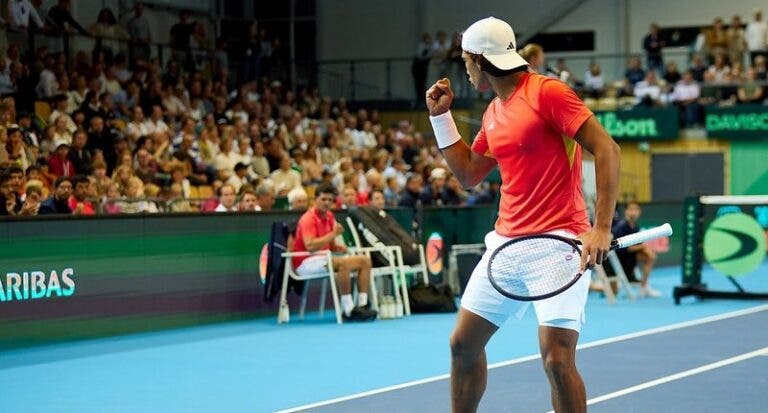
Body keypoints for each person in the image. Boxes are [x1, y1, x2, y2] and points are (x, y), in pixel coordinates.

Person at [426, 17, 620, 412]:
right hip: (506, 246)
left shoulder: (548, 92)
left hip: (560, 244)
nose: (464, 67)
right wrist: (440, 117)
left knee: (556, 359)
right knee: (462, 345)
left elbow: (608, 149)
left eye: (466, 59)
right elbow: (467, 173)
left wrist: (601, 228)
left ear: (480, 60)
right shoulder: (494, 111)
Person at [292, 183, 377, 322]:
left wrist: (337, 247)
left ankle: (362, 304)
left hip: (324, 258)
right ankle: (348, 310)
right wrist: (333, 234)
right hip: (304, 262)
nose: (327, 203)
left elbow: (330, 245)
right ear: (315, 200)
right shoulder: (308, 218)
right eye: (323, 199)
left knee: (364, 260)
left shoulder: (330, 216)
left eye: (330, 200)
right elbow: (310, 246)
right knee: (343, 263)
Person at [611, 202, 660, 298]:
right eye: (630, 209)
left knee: (650, 257)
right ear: (626, 211)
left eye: (636, 209)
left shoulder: (635, 227)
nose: (633, 212)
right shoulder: (621, 227)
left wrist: (643, 248)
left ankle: (644, 286)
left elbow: (636, 246)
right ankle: (643, 286)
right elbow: (625, 248)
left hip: (631, 256)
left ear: (639, 212)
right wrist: (643, 247)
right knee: (649, 255)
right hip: (621, 259)